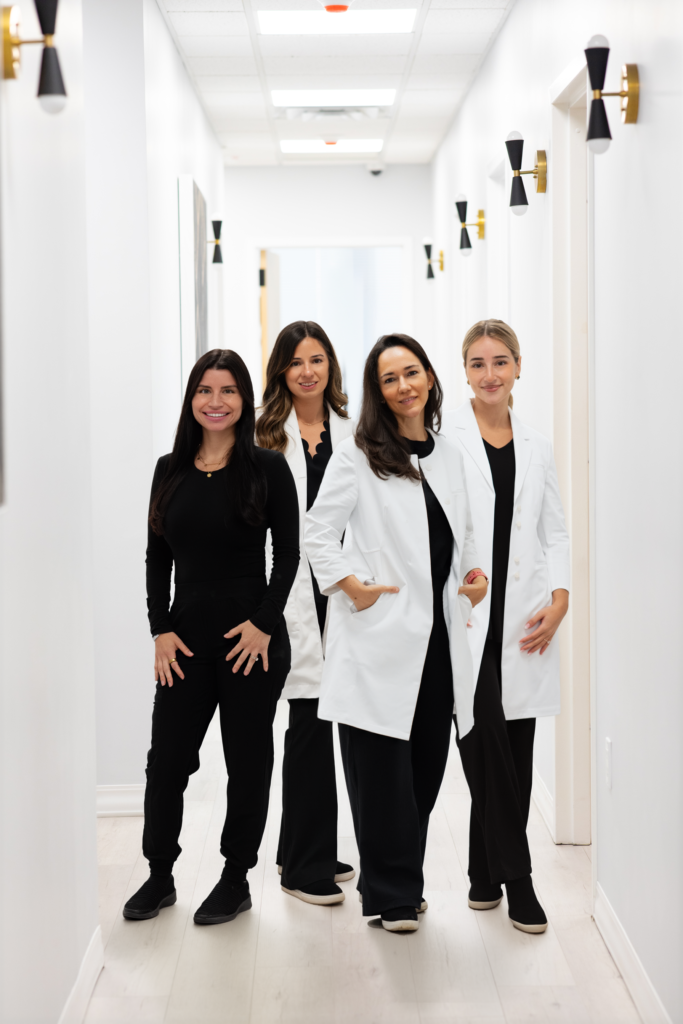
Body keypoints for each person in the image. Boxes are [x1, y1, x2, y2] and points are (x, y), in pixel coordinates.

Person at [304, 334, 488, 932]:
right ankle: (394, 893)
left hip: (437, 635)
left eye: (411, 373)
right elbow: (316, 531)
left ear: (430, 378)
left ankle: (400, 875)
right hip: (378, 633)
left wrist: (474, 573)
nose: (403, 386)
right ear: (377, 392)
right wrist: (348, 584)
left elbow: (463, 534)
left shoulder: (449, 453)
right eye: (389, 378)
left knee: (427, 767)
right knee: (381, 768)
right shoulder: (359, 453)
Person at [123, 349, 299, 926]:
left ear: (244, 399)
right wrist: (160, 629)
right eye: (205, 390)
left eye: (227, 391)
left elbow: (288, 556)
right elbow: (156, 559)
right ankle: (159, 873)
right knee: (167, 761)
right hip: (185, 642)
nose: (216, 402)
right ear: (191, 399)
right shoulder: (168, 468)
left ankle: (234, 877)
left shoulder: (268, 467)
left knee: (247, 762)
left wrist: (264, 625)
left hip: (250, 641)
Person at [442, 319, 570, 935]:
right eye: (476, 363)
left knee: (513, 755)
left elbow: (556, 530)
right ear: (463, 372)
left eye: (499, 361)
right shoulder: (446, 439)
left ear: (519, 366)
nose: (489, 374)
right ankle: (519, 880)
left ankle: (482, 874)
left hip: (524, 619)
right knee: (485, 747)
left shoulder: (539, 445)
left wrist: (562, 598)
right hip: (468, 619)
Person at [256, 321, 355, 906]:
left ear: (330, 367)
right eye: (296, 362)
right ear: (282, 372)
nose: (308, 371)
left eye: (317, 359)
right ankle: (304, 867)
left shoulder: (353, 430)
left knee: (333, 721)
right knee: (310, 725)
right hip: (293, 592)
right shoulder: (266, 435)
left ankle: (301, 847)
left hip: (343, 588)